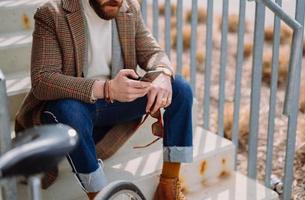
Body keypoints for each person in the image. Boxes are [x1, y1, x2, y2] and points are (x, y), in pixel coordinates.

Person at [15, 0, 193, 199]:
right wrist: (106, 88)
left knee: (180, 89)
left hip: (113, 105)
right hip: (72, 112)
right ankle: (100, 195)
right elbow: (42, 80)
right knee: (68, 109)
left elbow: (153, 53)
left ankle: (169, 186)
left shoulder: (128, 8)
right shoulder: (52, 13)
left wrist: (162, 73)